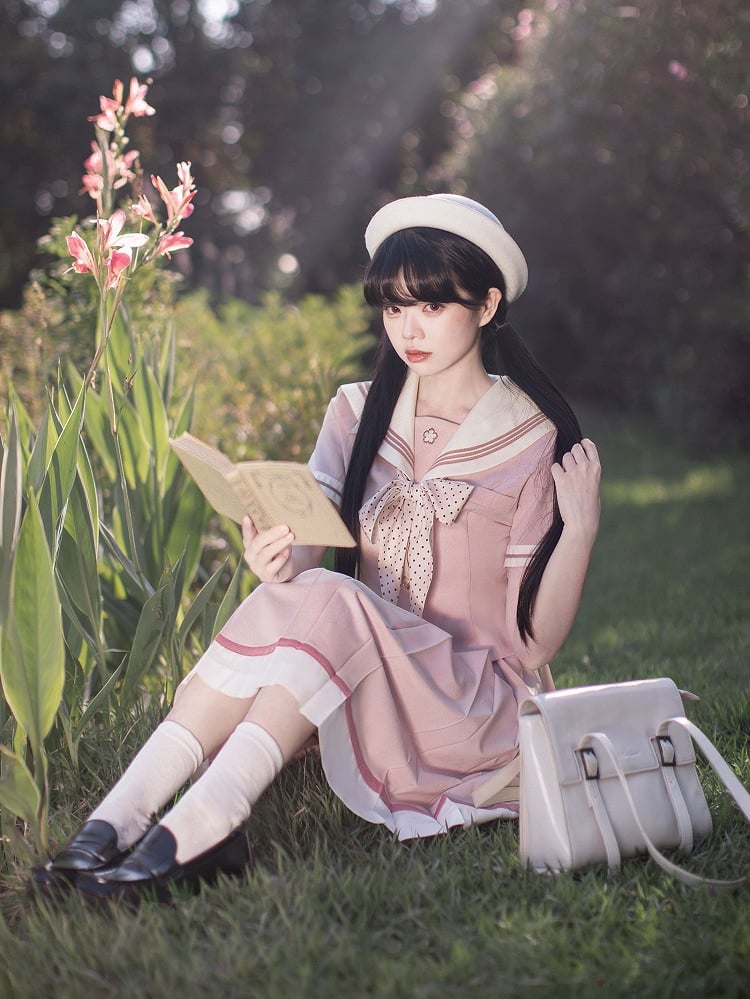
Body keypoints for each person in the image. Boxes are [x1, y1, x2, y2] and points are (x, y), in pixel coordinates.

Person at [33, 193, 601, 903]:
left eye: (430, 306)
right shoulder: (356, 411)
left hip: (471, 706)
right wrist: (280, 557)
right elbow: (309, 542)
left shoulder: (529, 438)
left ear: (486, 306)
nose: (409, 329)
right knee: (301, 587)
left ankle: (206, 816)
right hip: (364, 678)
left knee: (329, 594)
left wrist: (577, 530)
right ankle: (116, 821)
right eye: (394, 309)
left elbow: (533, 647)